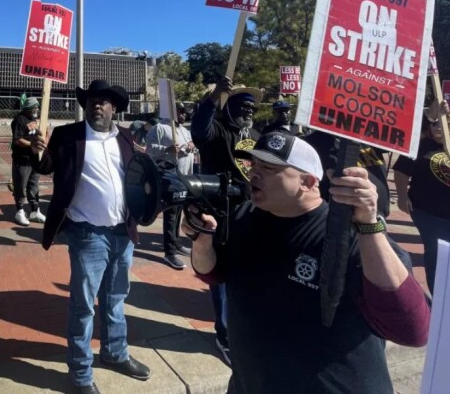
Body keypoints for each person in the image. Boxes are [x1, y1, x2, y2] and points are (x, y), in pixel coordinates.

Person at [186, 131, 430, 394]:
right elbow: (214, 272)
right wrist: (202, 242)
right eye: (253, 165)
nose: (254, 173)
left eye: (268, 167)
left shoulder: (348, 236)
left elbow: (412, 332)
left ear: (307, 181)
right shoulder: (244, 216)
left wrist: (369, 225)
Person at [31, 79, 150, 394]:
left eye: (104, 101)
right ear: (85, 106)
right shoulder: (67, 135)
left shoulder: (125, 137)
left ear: (114, 108)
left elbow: (137, 177)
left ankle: (115, 353)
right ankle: (81, 373)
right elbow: (45, 167)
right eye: (92, 100)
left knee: (116, 300)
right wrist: (37, 149)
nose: (98, 105)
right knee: (83, 306)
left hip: (122, 233)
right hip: (87, 235)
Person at [190, 75, 261, 365]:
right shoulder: (216, 131)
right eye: (242, 106)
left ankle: (244, 327)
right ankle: (225, 335)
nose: (247, 112)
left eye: (251, 108)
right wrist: (212, 98)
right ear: (227, 107)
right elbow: (198, 130)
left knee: (246, 277)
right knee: (220, 279)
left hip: (251, 217)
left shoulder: (255, 138)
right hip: (219, 217)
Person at [394, 103, 450, 294]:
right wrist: (402, 197)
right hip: (432, 214)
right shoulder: (421, 147)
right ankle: (439, 301)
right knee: (439, 258)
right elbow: (401, 171)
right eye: (435, 124)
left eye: (445, 124)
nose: (439, 127)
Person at [146, 104, 195, 270]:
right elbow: (149, 149)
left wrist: (191, 146)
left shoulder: (185, 130)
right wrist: (166, 149)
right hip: (169, 177)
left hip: (185, 177)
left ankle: (176, 242)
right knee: (171, 214)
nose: (184, 115)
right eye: (181, 111)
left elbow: (192, 147)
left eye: (185, 112)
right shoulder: (159, 128)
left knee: (180, 211)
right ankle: (170, 252)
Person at [10, 94, 46, 227]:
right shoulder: (19, 120)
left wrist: (44, 138)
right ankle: (19, 211)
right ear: (28, 108)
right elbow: (17, 139)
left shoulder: (36, 119)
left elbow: (43, 132)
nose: (36, 109)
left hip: (35, 158)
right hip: (22, 159)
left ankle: (35, 211)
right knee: (21, 185)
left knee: (34, 185)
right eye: (34, 107)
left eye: (37, 107)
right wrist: (31, 145)